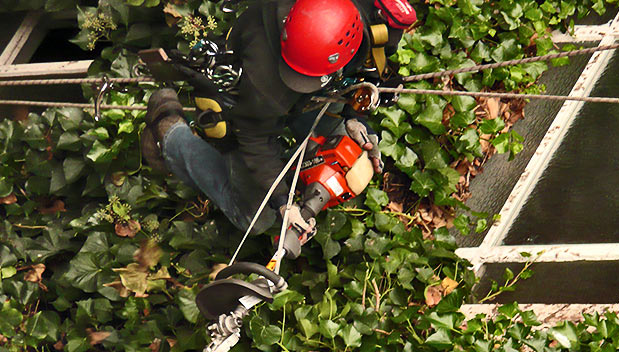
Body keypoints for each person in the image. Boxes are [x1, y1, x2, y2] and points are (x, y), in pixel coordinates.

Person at [141, 0, 416, 245]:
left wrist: (355, 120)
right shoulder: (264, 82)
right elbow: (256, 139)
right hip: (256, 101)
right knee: (255, 217)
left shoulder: (377, 21)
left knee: (347, 149)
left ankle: (309, 153)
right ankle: (169, 135)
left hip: (323, 83)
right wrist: (284, 204)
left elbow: (369, 70)